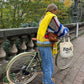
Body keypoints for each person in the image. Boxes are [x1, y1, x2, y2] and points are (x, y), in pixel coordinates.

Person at [37, 3, 69, 84]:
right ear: (54, 10)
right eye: (56, 11)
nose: (56, 12)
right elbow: (59, 29)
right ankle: (48, 82)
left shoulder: (43, 18)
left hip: (40, 41)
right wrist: (66, 31)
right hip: (46, 43)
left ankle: (45, 79)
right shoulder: (52, 17)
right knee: (48, 64)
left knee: (45, 63)